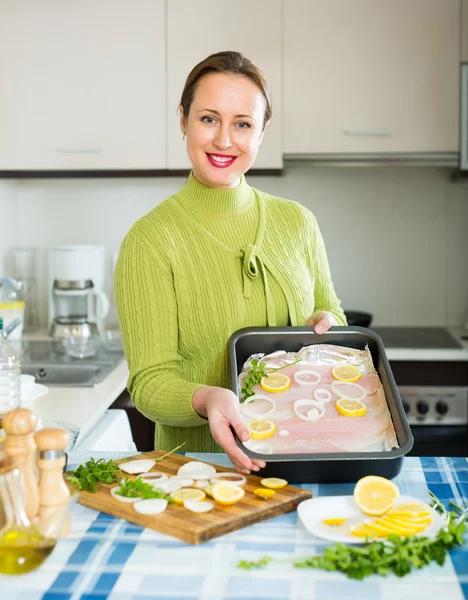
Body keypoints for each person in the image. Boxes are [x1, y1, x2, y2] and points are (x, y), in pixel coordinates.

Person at [114, 51, 346, 474]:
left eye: (242, 123)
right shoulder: (149, 240)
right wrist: (207, 399)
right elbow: (148, 384)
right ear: (183, 119)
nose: (224, 140)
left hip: (305, 458)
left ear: (261, 131)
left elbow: (335, 322)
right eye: (208, 119)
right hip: (199, 473)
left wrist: (328, 323)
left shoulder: (297, 222)